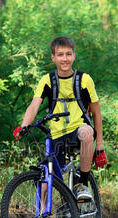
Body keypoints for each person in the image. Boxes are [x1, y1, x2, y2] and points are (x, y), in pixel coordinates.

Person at [13, 36, 107, 201]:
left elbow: (97, 113)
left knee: (86, 132)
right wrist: (23, 126)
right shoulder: (47, 80)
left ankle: (82, 184)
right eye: (60, 54)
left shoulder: (85, 80)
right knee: (44, 182)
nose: (65, 58)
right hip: (56, 135)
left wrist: (99, 144)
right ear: (53, 57)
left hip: (78, 131)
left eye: (68, 54)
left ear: (74, 56)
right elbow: (34, 105)